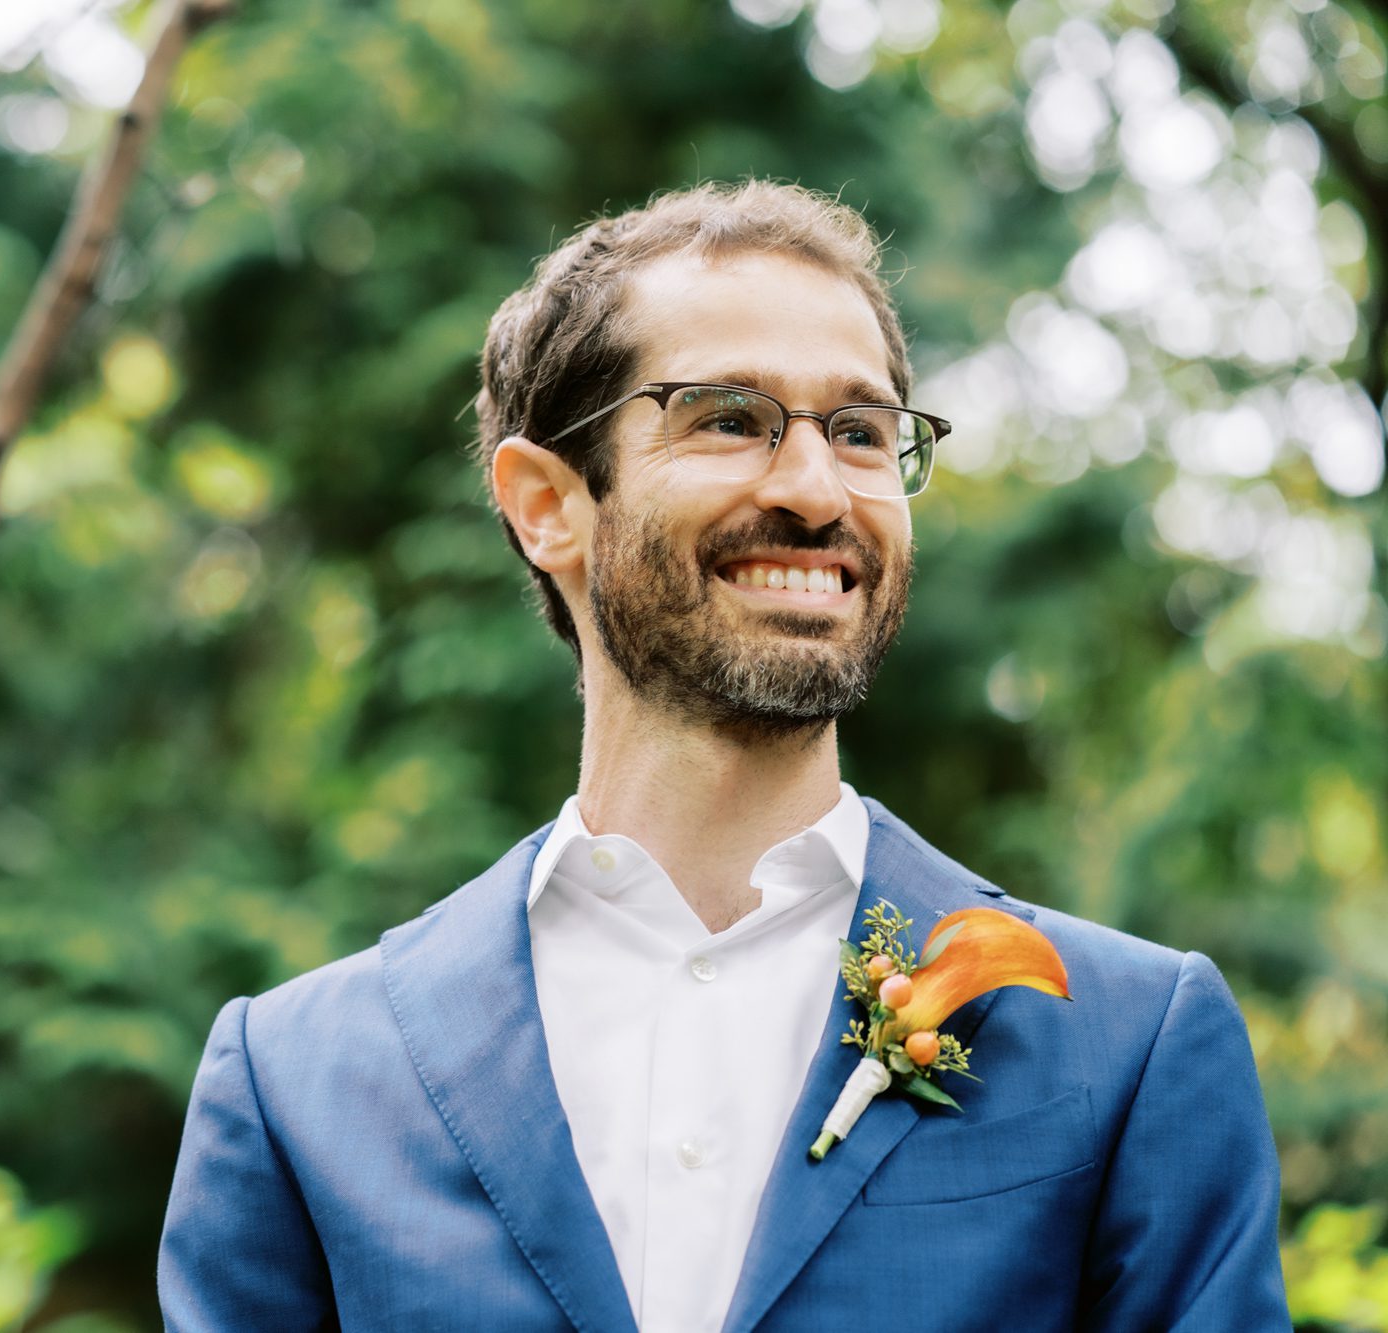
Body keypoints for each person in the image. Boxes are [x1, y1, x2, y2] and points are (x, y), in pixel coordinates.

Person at [157, 181, 1288, 1331]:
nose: (813, 490)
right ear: (548, 505)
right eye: (729, 418)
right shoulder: (295, 1080)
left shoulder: (1132, 1042)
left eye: (858, 432)